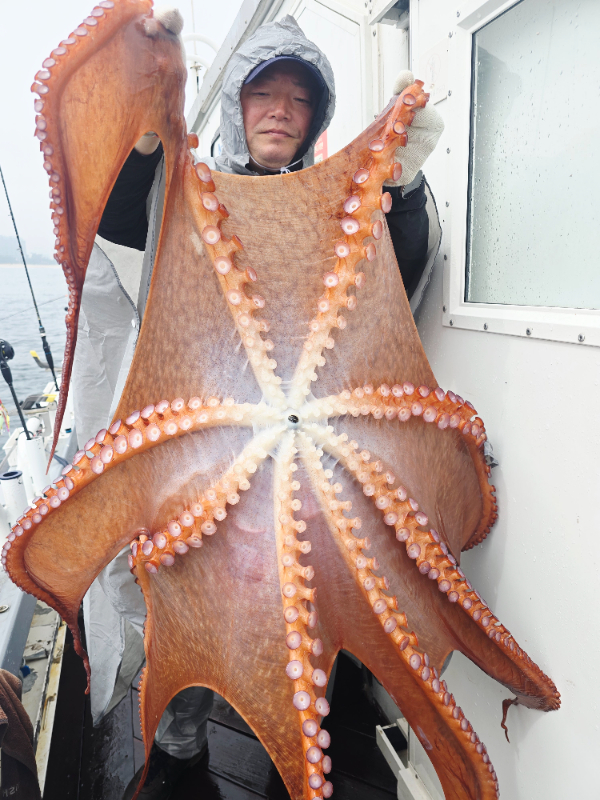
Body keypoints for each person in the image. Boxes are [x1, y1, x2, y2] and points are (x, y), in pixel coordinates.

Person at [71, 10, 443, 800]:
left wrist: (405, 187)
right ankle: (180, 743)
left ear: (317, 115)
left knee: (302, 612)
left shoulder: (336, 199)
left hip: (302, 452)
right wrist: (143, 132)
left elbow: (402, 266)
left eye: (299, 99)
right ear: (238, 105)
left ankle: (292, 746)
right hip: (205, 449)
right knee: (191, 606)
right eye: (264, 93)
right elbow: (119, 217)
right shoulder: (190, 188)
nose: (281, 111)